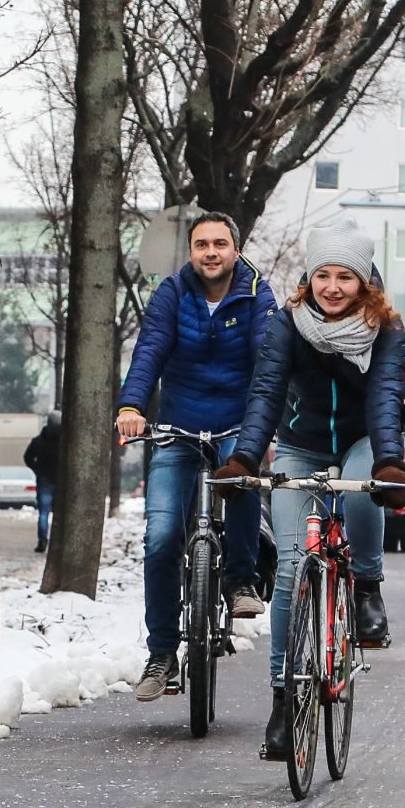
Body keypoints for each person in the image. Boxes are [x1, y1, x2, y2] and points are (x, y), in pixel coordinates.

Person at [214, 217, 405, 762]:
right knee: (287, 570)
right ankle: (282, 699)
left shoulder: (386, 331)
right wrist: (245, 459)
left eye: (344, 277)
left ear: (364, 281)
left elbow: (386, 400)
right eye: (322, 275)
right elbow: (266, 395)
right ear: (309, 278)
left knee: (359, 492)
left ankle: (367, 590)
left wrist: (389, 463)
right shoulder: (287, 326)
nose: (331, 287)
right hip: (298, 447)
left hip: (363, 440)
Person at [118, 211, 279, 702]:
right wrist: (131, 405)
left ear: (235, 248)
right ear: (191, 252)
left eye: (220, 244)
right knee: (162, 536)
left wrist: (262, 427)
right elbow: (149, 350)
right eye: (202, 244)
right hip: (177, 425)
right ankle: (162, 653)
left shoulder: (257, 293)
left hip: (239, 422)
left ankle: (240, 581)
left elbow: (268, 360)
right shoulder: (172, 293)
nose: (211, 252)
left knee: (242, 476)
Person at [22, 413, 61, 554]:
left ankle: (43, 540)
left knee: (43, 513)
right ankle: (58, 541)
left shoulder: (39, 441)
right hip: (61, 480)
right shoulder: (66, 441)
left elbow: (27, 457)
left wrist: (37, 469)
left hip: (44, 479)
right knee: (60, 512)